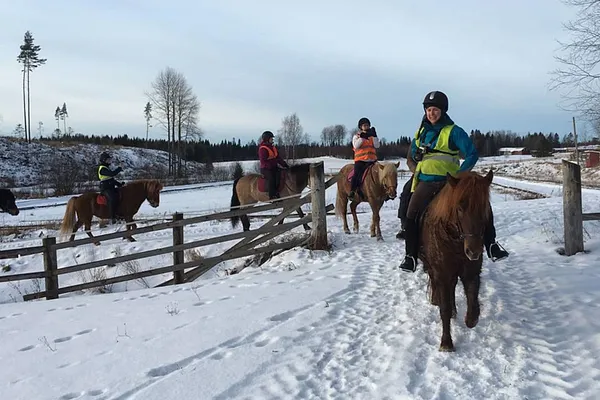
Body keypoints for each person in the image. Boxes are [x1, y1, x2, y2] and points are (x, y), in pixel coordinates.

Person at [399, 91, 509, 272]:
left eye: (435, 109)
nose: (431, 113)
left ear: (443, 111)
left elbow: (472, 154)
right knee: (411, 213)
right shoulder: (421, 132)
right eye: (428, 109)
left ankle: (491, 245)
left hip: (450, 184)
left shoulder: (454, 131)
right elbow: (411, 156)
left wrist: (460, 176)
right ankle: (410, 256)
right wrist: (414, 166)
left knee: (480, 207)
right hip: (425, 183)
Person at [349, 117, 380, 200]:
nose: (366, 127)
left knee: (381, 173)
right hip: (361, 160)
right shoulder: (356, 136)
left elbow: (377, 145)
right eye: (364, 125)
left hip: (372, 160)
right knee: (357, 175)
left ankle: (385, 191)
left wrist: (375, 136)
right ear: (360, 127)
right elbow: (356, 146)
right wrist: (362, 137)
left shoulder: (372, 137)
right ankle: (352, 191)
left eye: (367, 125)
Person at [258, 131, 289, 200]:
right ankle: (272, 196)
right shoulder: (263, 149)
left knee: (282, 175)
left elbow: (278, 158)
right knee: (271, 179)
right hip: (266, 169)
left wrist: (285, 165)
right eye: (271, 138)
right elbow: (263, 161)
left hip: (273, 167)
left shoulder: (273, 147)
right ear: (267, 139)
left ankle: (278, 192)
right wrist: (273, 164)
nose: (272, 140)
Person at [396, 138, 417, 239]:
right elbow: (410, 160)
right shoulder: (418, 138)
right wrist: (416, 171)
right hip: (420, 174)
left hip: (445, 173)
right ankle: (404, 225)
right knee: (406, 192)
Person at [97, 151, 124, 224]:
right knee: (113, 198)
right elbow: (112, 174)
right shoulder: (102, 169)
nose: (109, 161)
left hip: (111, 186)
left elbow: (111, 179)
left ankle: (120, 213)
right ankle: (112, 217)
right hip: (105, 188)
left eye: (110, 160)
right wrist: (119, 168)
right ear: (103, 160)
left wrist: (119, 184)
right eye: (108, 160)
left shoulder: (106, 167)